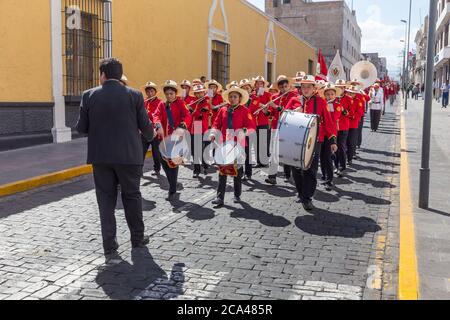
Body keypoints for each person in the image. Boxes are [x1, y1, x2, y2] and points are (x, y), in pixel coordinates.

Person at [76, 58, 154, 257]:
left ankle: (109, 245)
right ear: (120, 75)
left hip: (101, 156)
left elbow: (81, 128)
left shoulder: (88, 95)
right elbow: (145, 126)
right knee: (132, 196)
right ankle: (137, 238)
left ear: (102, 74)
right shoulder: (135, 95)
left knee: (105, 201)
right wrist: (152, 136)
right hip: (129, 155)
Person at [286, 75, 337, 211]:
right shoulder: (293, 100)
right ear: (300, 88)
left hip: (315, 140)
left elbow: (328, 122)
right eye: (303, 86)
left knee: (310, 169)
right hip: (295, 139)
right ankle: (301, 192)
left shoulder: (321, 102)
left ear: (314, 88)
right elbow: (283, 117)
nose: (306, 89)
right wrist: (291, 112)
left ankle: (307, 197)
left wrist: (332, 140)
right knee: (295, 169)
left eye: (309, 86)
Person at [210, 85, 256, 207]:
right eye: (230, 96)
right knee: (222, 171)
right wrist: (213, 132)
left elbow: (252, 127)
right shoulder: (223, 110)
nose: (232, 98)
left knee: (237, 171)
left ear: (240, 98)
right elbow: (216, 123)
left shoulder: (245, 110)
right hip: (224, 144)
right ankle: (219, 197)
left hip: (239, 145)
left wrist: (244, 131)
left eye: (235, 96)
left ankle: (237, 194)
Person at [153, 80, 191, 201]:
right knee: (164, 162)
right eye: (167, 94)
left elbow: (187, 115)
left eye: (171, 93)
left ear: (175, 93)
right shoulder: (162, 105)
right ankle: (172, 181)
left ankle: (172, 189)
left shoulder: (180, 103)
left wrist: (184, 124)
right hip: (164, 138)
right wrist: (157, 123)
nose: (169, 96)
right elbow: (156, 115)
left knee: (173, 164)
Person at [265, 75, 298, 185]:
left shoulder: (294, 96)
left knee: (287, 151)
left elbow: (293, 112)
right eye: (281, 87)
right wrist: (266, 111)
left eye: (285, 86)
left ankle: (288, 175)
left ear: (289, 86)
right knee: (274, 152)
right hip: (276, 127)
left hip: (288, 128)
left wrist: (277, 107)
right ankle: (272, 176)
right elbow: (271, 114)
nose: (284, 89)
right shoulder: (275, 96)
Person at [321, 83, 343, 190]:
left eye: (332, 94)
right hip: (321, 133)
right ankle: (324, 175)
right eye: (328, 94)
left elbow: (333, 118)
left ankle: (329, 180)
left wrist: (328, 106)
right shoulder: (322, 103)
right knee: (322, 157)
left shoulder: (338, 105)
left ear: (335, 95)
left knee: (328, 157)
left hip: (331, 134)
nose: (330, 96)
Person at [190, 83, 210, 178]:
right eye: (197, 93)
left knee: (201, 149)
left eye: (201, 93)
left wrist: (192, 111)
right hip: (196, 127)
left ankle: (205, 163)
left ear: (204, 92)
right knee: (194, 150)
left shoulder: (206, 101)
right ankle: (196, 169)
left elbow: (201, 113)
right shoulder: (194, 102)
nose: (199, 95)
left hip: (203, 127)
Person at [251, 76, 273, 168]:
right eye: (257, 83)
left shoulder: (268, 95)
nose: (259, 85)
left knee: (264, 142)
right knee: (256, 142)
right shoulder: (252, 95)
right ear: (255, 85)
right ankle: (258, 161)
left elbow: (270, 109)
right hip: (253, 122)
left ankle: (264, 161)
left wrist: (266, 111)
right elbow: (250, 107)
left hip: (263, 121)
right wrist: (258, 100)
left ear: (263, 85)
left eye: (261, 84)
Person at [142, 82, 162, 176]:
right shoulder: (144, 102)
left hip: (155, 131)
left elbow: (157, 116)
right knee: (141, 151)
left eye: (151, 91)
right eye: (148, 91)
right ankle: (138, 169)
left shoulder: (160, 102)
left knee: (156, 152)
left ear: (155, 92)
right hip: (144, 130)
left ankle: (157, 168)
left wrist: (148, 113)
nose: (150, 93)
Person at [239, 79, 257, 180]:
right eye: (243, 88)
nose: (246, 90)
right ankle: (240, 172)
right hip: (240, 129)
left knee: (248, 152)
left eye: (247, 88)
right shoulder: (238, 101)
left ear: (251, 89)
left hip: (250, 129)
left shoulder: (255, 100)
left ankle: (248, 173)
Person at [334, 79, 351, 177]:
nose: (340, 89)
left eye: (342, 87)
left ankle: (342, 166)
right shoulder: (333, 97)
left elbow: (350, 112)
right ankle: (336, 165)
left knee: (341, 146)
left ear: (344, 88)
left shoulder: (348, 98)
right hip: (334, 127)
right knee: (334, 147)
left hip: (343, 125)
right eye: (338, 87)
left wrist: (345, 111)